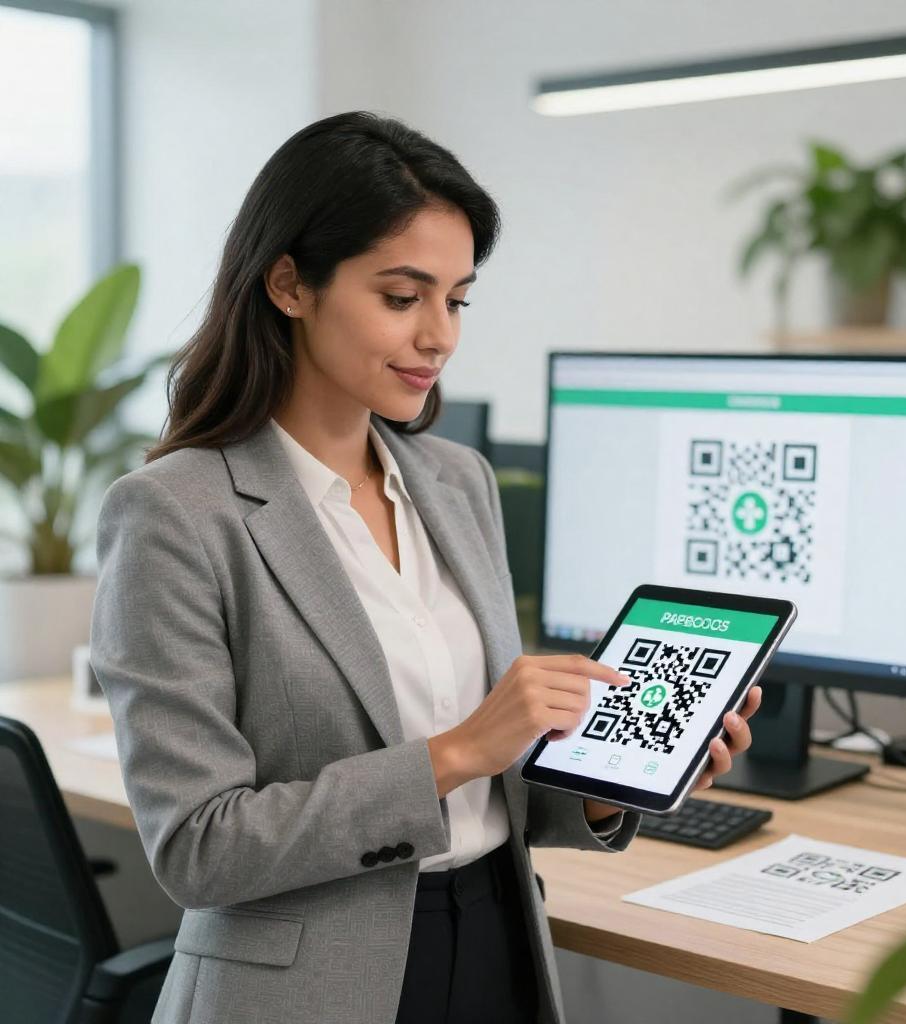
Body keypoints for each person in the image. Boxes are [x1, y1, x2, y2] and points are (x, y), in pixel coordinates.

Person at [90, 111, 761, 1024]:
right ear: (290, 284)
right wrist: (453, 754)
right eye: (403, 298)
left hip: (497, 944)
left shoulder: (456, 481)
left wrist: (613, 784)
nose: (439, 335)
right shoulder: (175, 513)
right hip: (308, 988)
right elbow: (199, 848)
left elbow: (495, 784)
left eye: (457, 299)